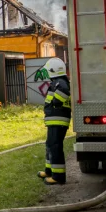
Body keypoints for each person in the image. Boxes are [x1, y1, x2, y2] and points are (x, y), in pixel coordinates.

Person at [38, 57, 72, 185]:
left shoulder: (61, 82)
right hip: (54, 121)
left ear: (53, 70)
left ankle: (58, 176)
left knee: (55, 147)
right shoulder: (58, 81)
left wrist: (56, 102)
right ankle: (49, 171)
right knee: (50, 145)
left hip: (58, 120)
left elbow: (64, 92)